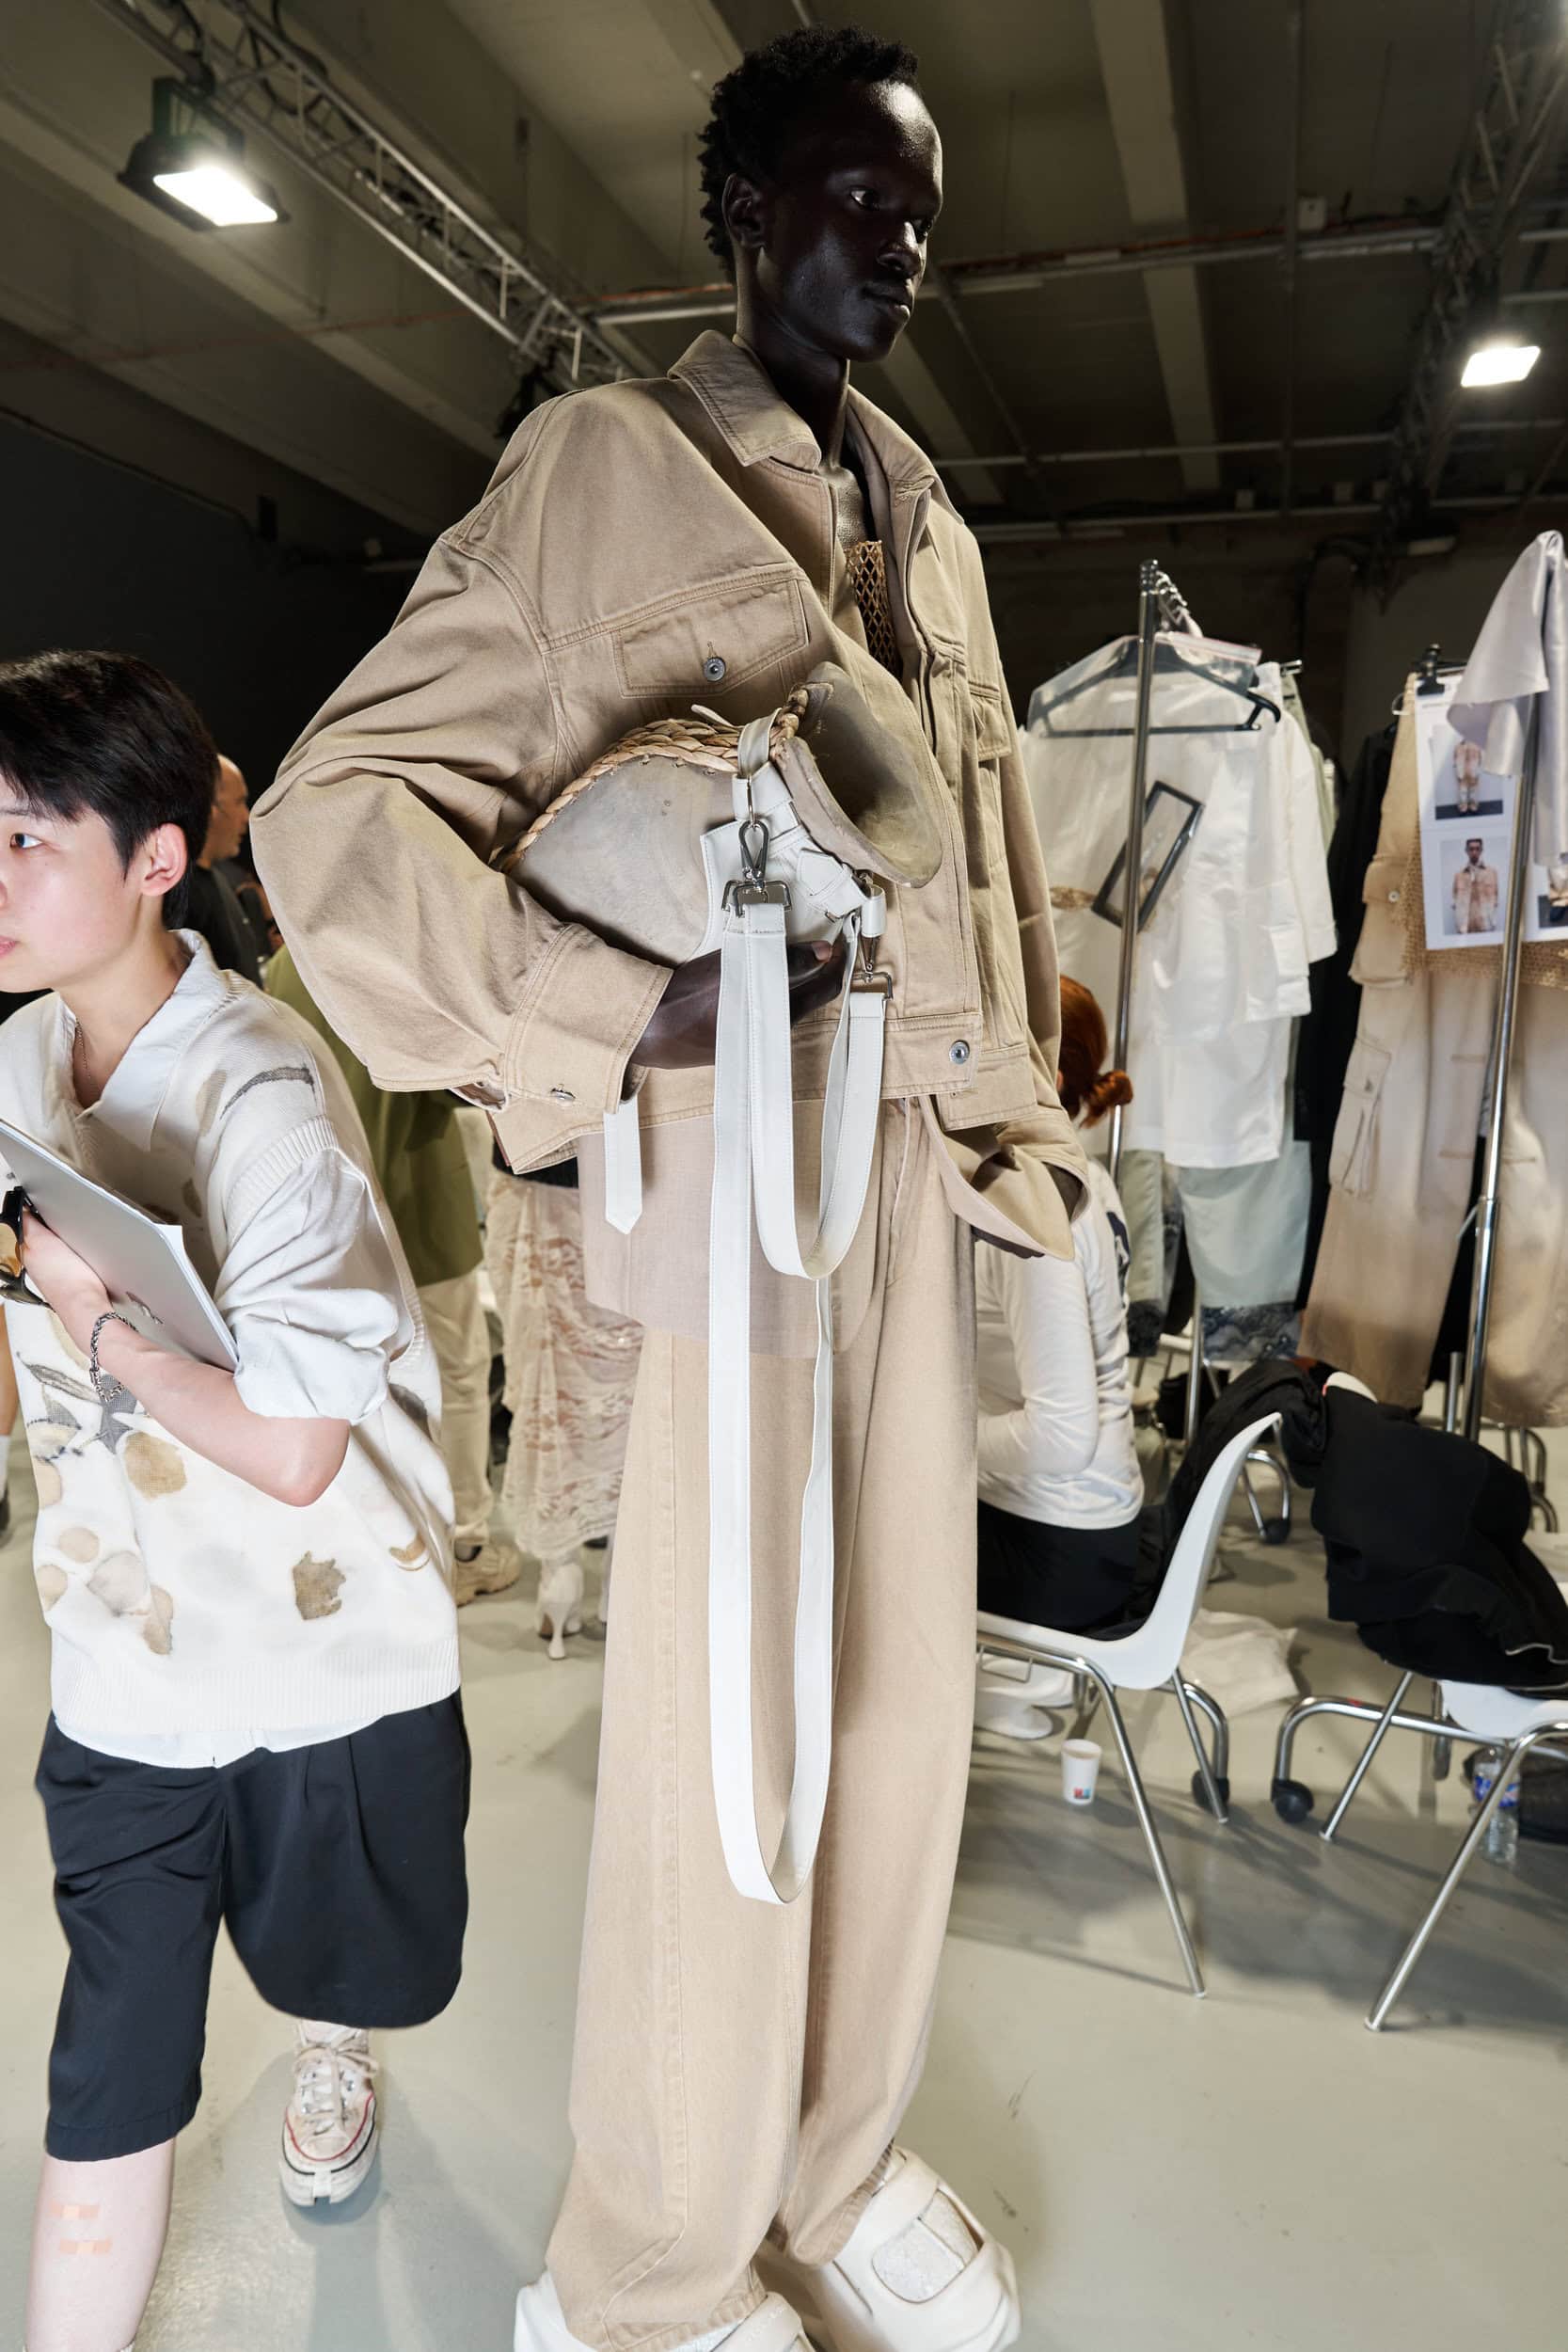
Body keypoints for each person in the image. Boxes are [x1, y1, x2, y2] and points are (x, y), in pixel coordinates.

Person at [254, 26, 1085, 2352]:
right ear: (741, 211)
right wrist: (615, 1016)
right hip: (723, 1182)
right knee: (734, 1731)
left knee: (907, 1700)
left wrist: (1024, 1130)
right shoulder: (598, 478)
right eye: (847, 193)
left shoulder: (935, 522)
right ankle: (648, 2265)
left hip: (907, 1166)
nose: (892, 241)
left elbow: (985, 861)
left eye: (918, 204)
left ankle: (825, 2169)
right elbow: (337, 827)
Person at [0, 651, 468, 2352]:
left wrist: (93, 1321)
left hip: (320, 1648)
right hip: (126, 1656)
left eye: (25, 840)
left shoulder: (263, 1093)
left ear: (151, 860)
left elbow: (292, 1450)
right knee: (111, 2049)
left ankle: (338, 2053)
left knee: (350, 1956)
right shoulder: (16, 1062)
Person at [267, 942, 522, 1607]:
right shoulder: (409, 957)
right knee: (461, 1371)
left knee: (355, 1382)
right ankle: (464, 1540)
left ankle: (390, 1540)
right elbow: (467, 1079)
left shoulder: (287, 964)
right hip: (418, 1199)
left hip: (327, 1216)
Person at [974, 978, 1145, 1734]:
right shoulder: (1080, 1173)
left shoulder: (1033, 1205)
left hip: (1054, 1551)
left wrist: (919, 1442)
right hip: (1088, 1532)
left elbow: (1060, 1434)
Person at [484, 1145, 641, 1656]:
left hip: (534, 1171)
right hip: (641, 1172)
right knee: (632, 1387)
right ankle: (626, 1584)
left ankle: (560, 1580)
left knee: (547, 1385)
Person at [183, 751, 264, 983]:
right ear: (211, 808)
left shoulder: (219, 880)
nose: (246, 817)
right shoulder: (182, 894)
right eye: (239, 802)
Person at [1452, 835, 1498, 934]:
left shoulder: (1492, 873)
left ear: (1481, 850)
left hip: (1486, 926)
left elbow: (1495, 897)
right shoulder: (1458, 875)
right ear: (1466, 851)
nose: (1474, 852)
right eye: (1471, 849)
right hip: (1465, 928)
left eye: (1477, 849)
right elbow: (1455, 900)